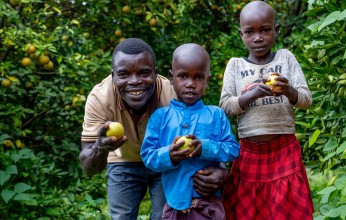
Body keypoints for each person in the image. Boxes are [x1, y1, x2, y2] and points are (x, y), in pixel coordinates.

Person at [79, 38, 229, 220]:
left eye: (144, 73)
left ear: (156, 73)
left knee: (163, 215)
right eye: (124, 74)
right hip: (123, 160)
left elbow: (203, 137)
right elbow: (88, 167)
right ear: (113, 76)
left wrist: (221, 171)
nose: (134, 81)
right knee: (122, 217)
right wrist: (101, 147)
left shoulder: (173, 93)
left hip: (167, 161)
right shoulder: (99, 98)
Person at [219, 1, 314, 220]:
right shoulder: (235, 65)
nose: (258, 38)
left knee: (287, 209)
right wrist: (250, 94)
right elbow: (225, 105)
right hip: (249, 151)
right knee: (250, 209)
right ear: (241, 34)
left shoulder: (286, 58)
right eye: (250, 32)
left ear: (276, 30)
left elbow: (306, 100)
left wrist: (288, 90)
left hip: (284, 148)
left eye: (265, 30)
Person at [140, 43, 240, 220]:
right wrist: (168, 155)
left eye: (199, 77)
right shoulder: (160, 117)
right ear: (172, 77)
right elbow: (148, 156)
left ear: (207, 80)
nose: (190, 84)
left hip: (209, 206)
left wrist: (205, 148)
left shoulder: (216, 115)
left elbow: (232, 149)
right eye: (183, 76)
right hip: (174, 204)